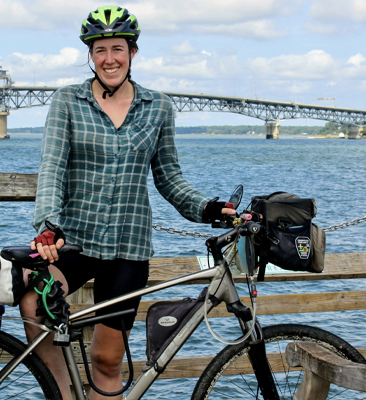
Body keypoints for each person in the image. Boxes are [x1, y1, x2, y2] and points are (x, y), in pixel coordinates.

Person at [19, 6, 235, 399]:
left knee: (106, 359)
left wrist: (207, 208)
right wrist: (47, 226)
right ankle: (62, 393)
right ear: (91, 55)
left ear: (132, 52)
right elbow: (52, 168)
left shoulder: (158, 108)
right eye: (100, 50)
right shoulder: (68, 101)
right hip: (74, 239)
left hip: (128, 248)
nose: (109, 59)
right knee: (34, 299)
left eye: (117, 49)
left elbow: (169, 177)